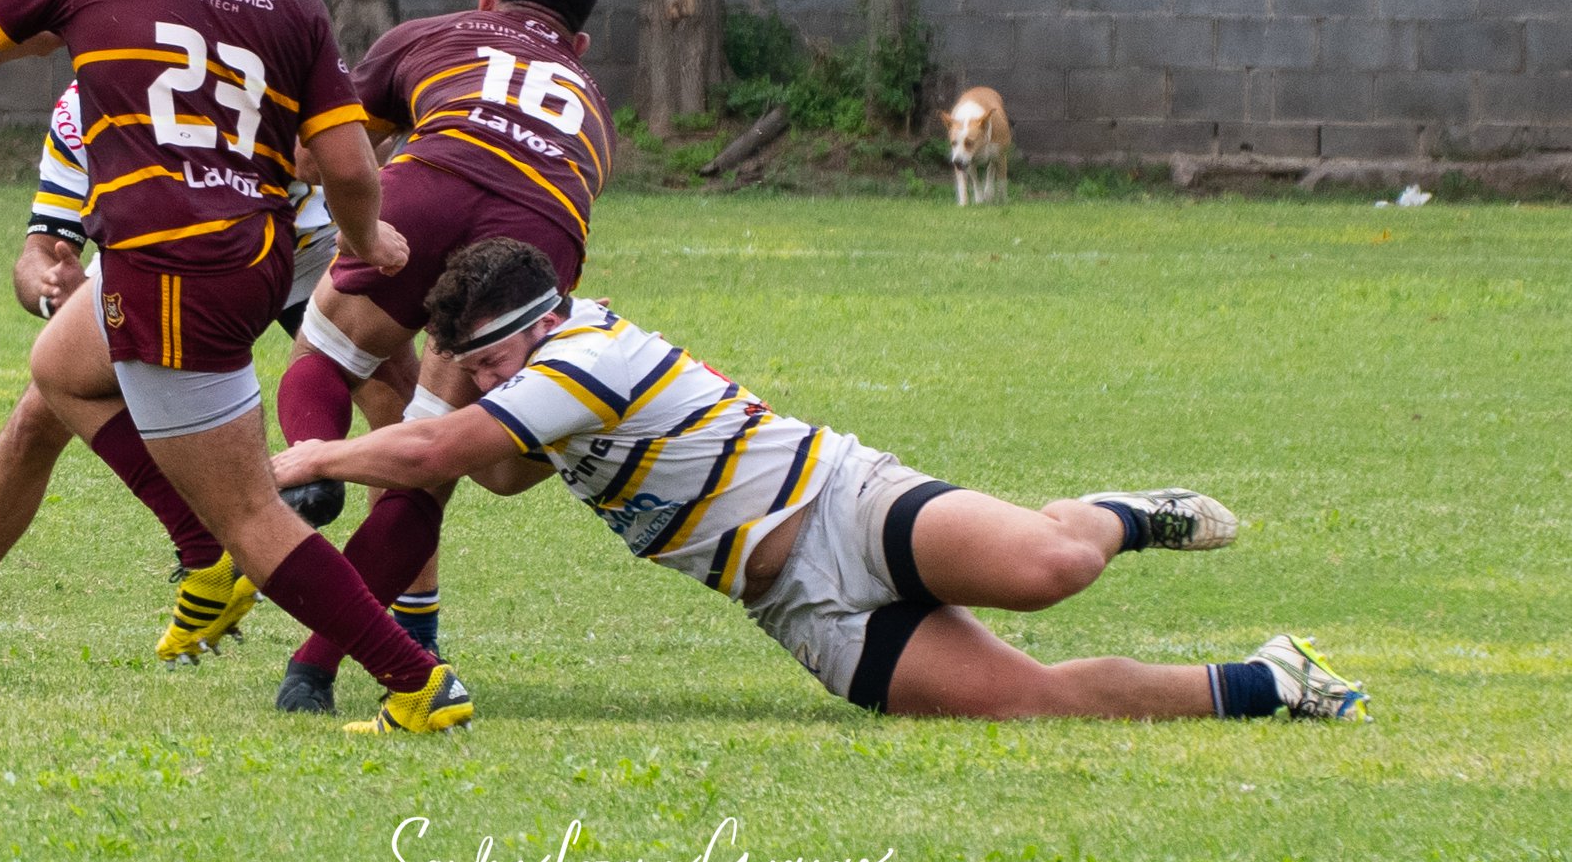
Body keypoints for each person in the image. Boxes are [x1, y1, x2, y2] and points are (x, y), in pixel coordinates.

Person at [273, 238, 1373, 723]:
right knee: (1028, 706)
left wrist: (310, 454)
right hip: (789, 603)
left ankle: (1125, 515)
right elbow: (503, 474)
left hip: (836, 500)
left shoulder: (588, 356)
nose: (481, 383)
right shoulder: (534, 392)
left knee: (1050, 567)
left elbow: (429, 456)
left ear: (540, 326)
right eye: (474, 369)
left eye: (487, 362)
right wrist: (459, 390)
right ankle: (1270, 683)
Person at [0, 0, 466, 734]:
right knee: (58, 368)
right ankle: (210, 556)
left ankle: (414, 678)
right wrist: (368, 237)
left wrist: (64, 22)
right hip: (256, 248)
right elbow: (346, 162)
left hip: (174, 265)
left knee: (255, 518)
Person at [0, 83, 416, 687]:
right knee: (40, 411)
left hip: (306, 245)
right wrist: (47, 286)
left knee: (401, 405)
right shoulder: (85, 100)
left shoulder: (249, 37)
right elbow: (39, 249)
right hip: (173, 258)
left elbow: (331, 152)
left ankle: (409, 633)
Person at [268, 0, 612, 717]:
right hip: (537, 232)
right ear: (579, 42)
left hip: (434, 180)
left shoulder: (437, 31)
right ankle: (310, 673)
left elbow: (327, 152)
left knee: (322, 353)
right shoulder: (592, 98)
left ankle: (313, 469)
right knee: (430, 468)